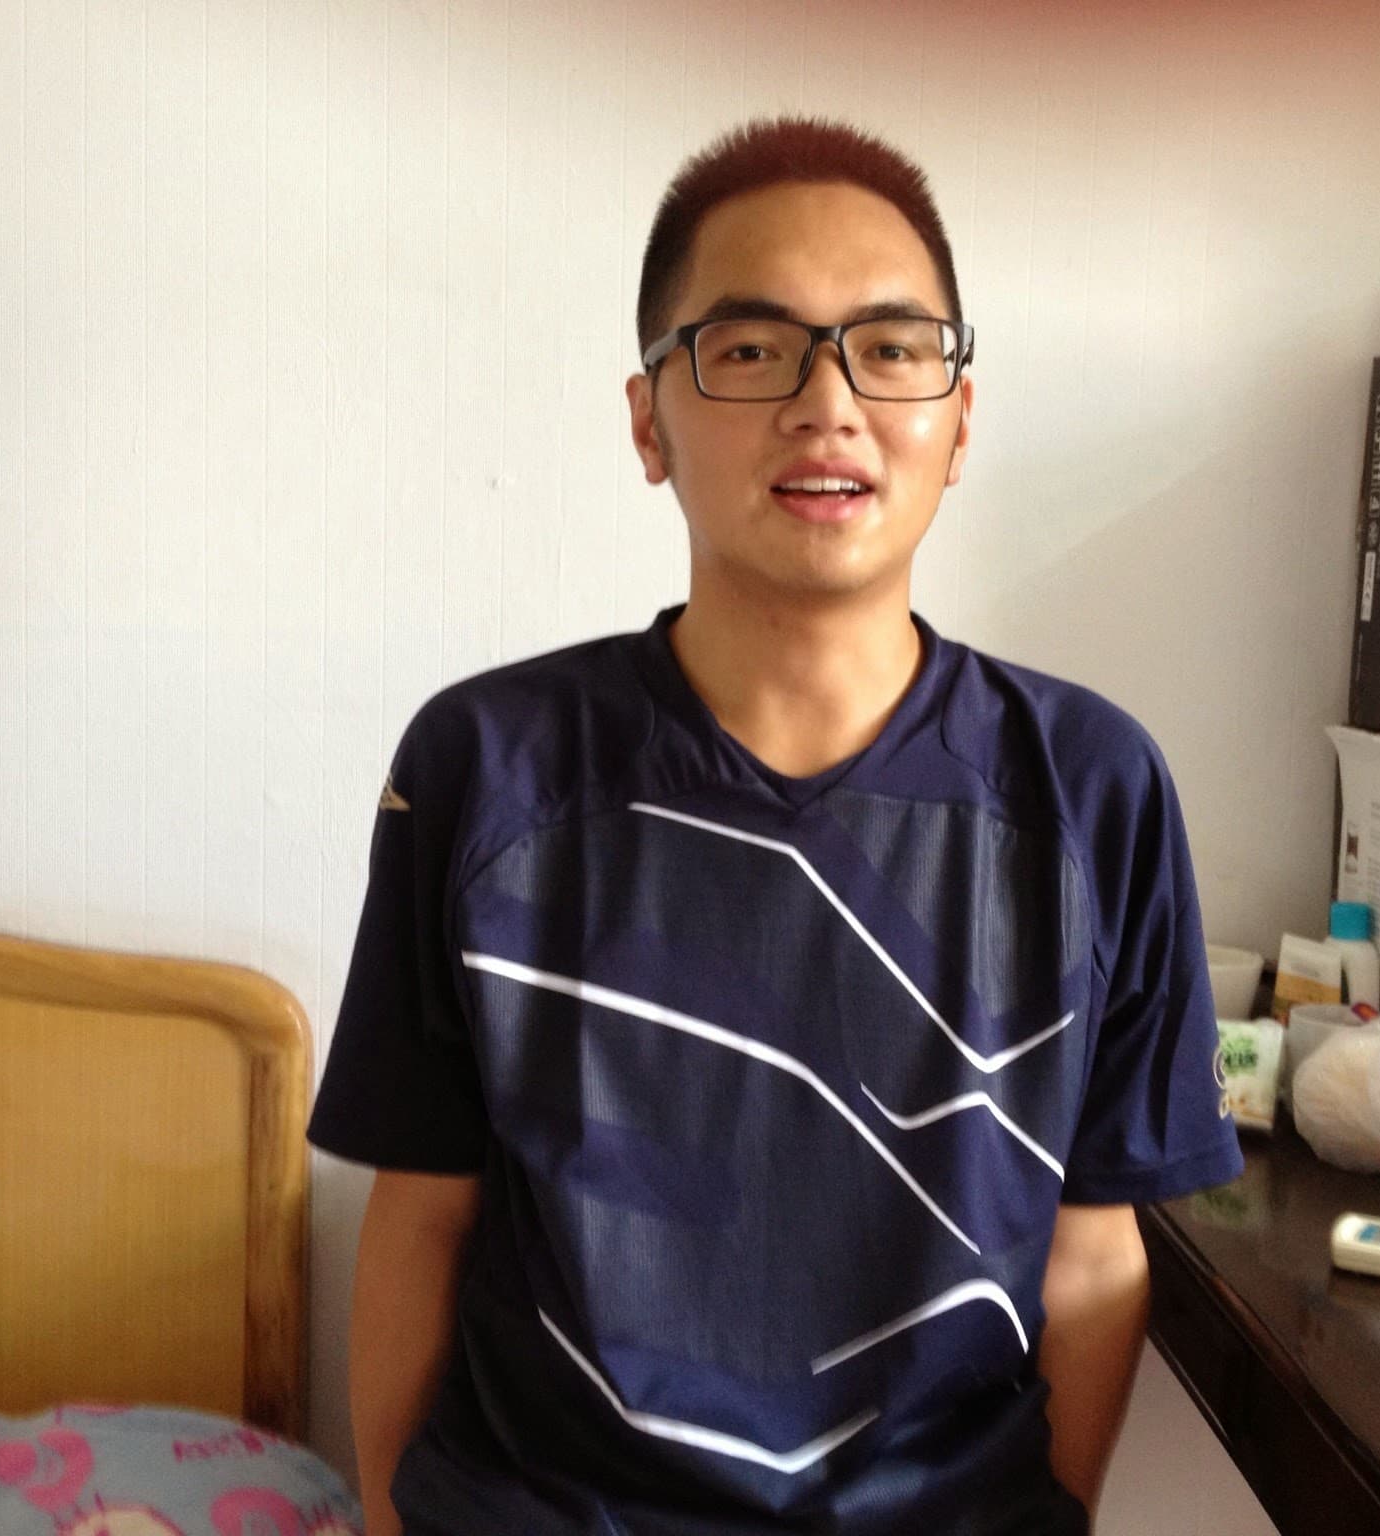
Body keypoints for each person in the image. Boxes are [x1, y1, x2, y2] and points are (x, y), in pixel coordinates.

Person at [309, 116, 1241, 1536]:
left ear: (959, 420)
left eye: (891, 345)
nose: (828, 404)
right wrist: (385, 1517)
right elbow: (421, 1214)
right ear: (647, 422)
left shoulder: (1089, 787)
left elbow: (1096, 1256)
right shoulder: (484, 768)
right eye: (750, 349)